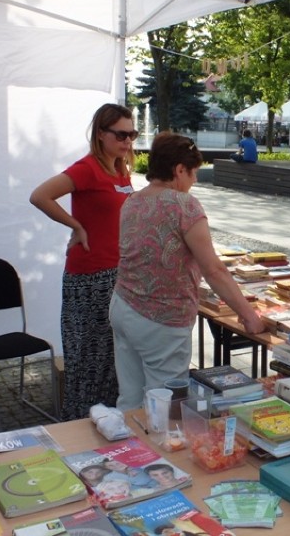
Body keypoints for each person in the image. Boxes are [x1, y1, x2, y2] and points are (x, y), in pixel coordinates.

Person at [110, 132, 265, 411]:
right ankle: (160, 454)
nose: (194, 181)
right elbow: (214, 269)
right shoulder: (184, 205)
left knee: (130, 399)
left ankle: (129, 450)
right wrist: (248, 315)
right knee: (165, 406)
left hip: (124, 306)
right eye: (193, 173)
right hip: (162, 319)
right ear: (179, 170)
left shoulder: (133, 200)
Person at [29, 103, 136, 421]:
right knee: (88, 358)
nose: (127, 141)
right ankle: (80, 423)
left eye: (132, 134)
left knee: (112, 357)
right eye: (120, 134)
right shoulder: (87, 168)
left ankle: (109, 421)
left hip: (117, 272)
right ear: (101, 134)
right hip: (89, 278)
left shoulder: (121, 170)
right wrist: (76, 225)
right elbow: (40, 195)